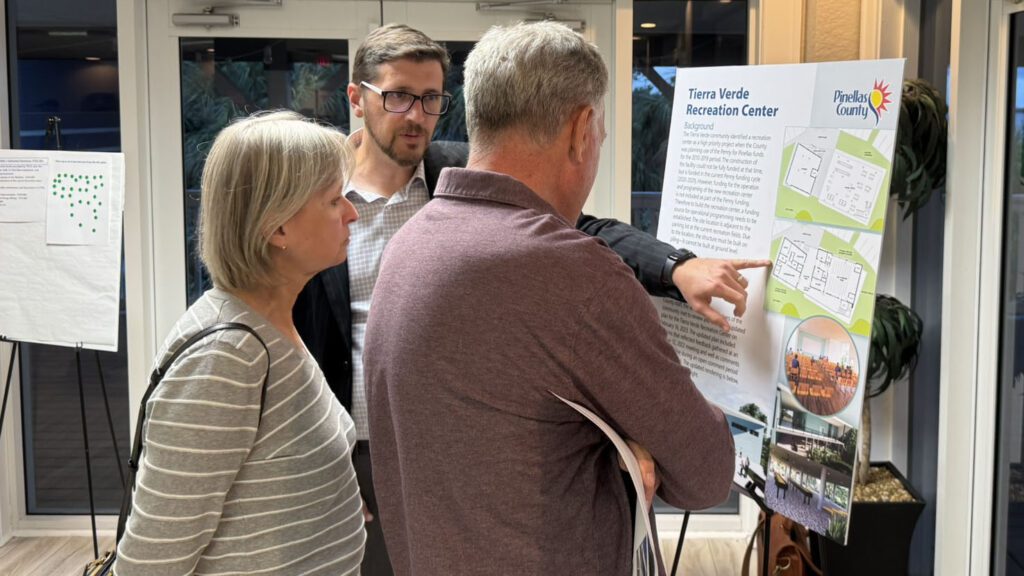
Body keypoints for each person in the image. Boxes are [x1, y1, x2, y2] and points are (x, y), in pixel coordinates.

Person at [291, 23, 767, 574]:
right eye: (398, 97)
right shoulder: (575, 276)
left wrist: (674, 267)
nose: (414, 115)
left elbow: (511, 403)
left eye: (427, 100)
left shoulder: (411, 241)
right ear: (581, 129)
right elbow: (706, 472)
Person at [116, 111, 365, 575]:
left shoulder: (273, 326)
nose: (352, 212)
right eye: (334, 201)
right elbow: (151, 560)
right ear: (277, 228)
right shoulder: (227, 358)